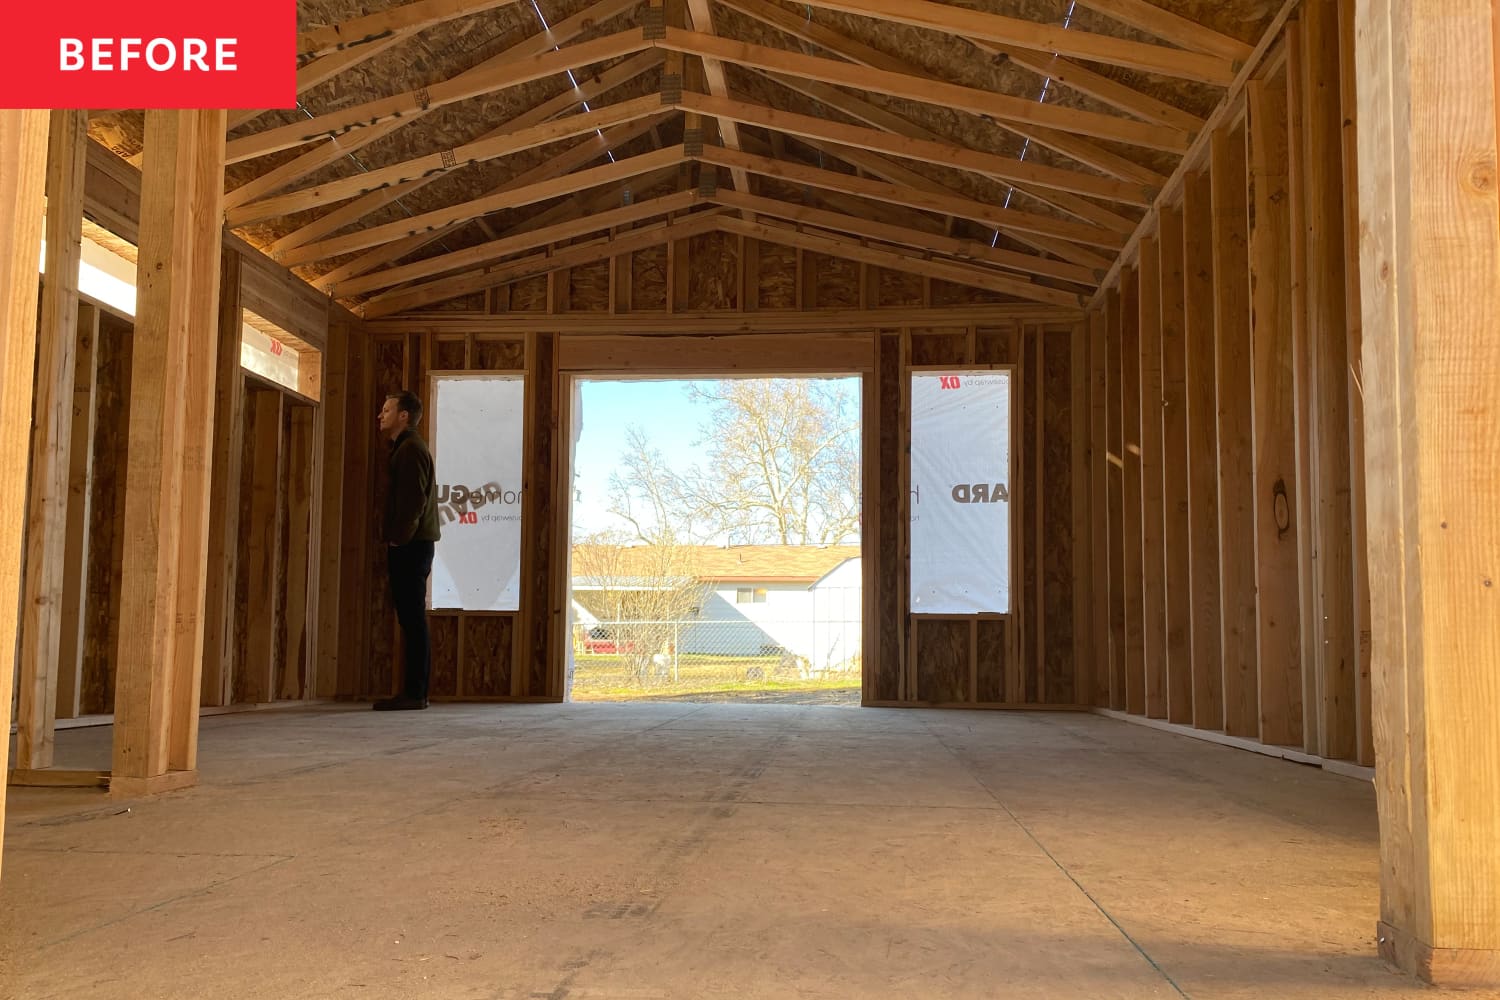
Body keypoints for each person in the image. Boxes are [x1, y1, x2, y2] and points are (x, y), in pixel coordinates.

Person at [375, 390, 440, 711]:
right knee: (410, 617)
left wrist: (399, 538)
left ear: (404, 416)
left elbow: (414, 500)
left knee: (412, 618)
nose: (380, 415)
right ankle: (415, 692)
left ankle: (415, 693)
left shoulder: (411, 449)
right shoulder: (405, 447)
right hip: (412, 541)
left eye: (387, 410)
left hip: (411, 544)